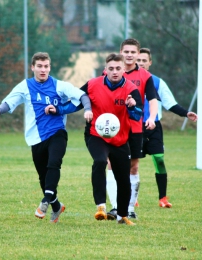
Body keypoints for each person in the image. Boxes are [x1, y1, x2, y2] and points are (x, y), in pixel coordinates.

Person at [0, 52, 93, 223]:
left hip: (57, 133)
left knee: (54, 164)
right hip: (36, 138)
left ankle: (45, 201)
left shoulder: (59, 86)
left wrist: (87, 109)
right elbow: (10, 101)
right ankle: (56, 206)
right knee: (43, 176)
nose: (43, 70)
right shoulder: (25, 86)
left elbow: (82, 96)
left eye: (46, 66)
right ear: (33, 67)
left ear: (49, 68)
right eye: (39, 66)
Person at [48, 53, 143, 225]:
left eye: (118, 69)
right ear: (105, 70)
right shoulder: (92, 84)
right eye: (111, 69)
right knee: (100, 161)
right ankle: (101, 206)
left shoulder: (130, 90)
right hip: (95, 135)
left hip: (120, 139)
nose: (115, 72)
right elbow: (76, 103)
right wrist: (58, 109)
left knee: (123, 179)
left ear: (123, 70)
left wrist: (132, 107)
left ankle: (123, 216)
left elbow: (137, 116)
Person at [136, 47, 198, 207]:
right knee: (132, 164)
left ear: (150, 63)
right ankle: (132, 199)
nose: (141, 63)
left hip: (153, 126)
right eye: (138, 60)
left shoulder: (157, 82)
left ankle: (162, 198)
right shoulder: (126, 79)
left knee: (159, 159)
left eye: (144, 60)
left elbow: (170, 103)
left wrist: (186, 113)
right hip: (132, 126)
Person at [106, 38, 159, 220]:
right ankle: (115, 207)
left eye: (132, 52)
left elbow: (152, 99)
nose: (129, 55)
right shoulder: (111, 71)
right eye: (126, 51)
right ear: (121, 52)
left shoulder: (145, 76)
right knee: (111, 164)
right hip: (114, 128)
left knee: (133, 167)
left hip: (135, 128)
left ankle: (129, 208)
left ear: (138, 54)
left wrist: (152, 117)